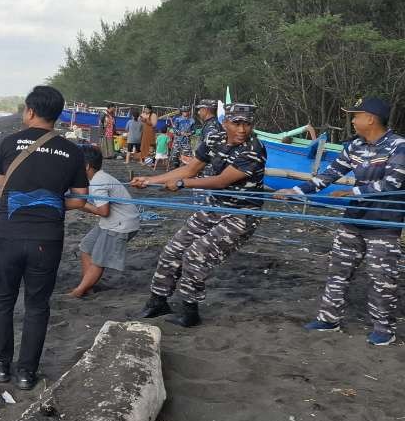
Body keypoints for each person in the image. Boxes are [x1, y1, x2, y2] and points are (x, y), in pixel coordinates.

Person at [275, 97, 405, 345]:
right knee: (338, 272)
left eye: (356, 116)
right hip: (353, 220)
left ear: (370, 119)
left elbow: (392, 184)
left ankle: (383, 329)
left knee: (382, 279)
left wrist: (352, 192)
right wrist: (297, 191)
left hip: (384, 224)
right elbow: (330, 174)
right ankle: (328, 318)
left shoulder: (399, 146)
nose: (353, 121)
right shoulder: (355, 145)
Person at [0, 85, 89, 391]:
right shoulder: (72, 151)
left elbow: (1, 189)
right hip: (47, 237)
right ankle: (26, 373)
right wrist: (51, 202)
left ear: (30, 111)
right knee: (36, 305)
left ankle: (1, 366)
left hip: (8, 233)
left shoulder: (9, 143)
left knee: (2, 299)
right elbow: (81, 199)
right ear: (57, 115)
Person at [132, 103, 266, 327]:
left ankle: (189, 311)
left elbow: (220, 181)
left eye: (247, 124)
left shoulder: (254, 149)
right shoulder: (214, 138)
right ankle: (158, 301)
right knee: (173, 249)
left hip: (241, 214)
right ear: (226, 123)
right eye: (237, 123)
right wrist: (150, 180)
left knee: (196, 255)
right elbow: (190, 169)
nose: (242, 129)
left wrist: (183, 184)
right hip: (213, 207)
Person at [68, 145, 140, 297]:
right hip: (111, 222)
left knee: (99, 259)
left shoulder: (98, 182)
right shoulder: (99, 178)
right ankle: (88, 286)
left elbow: (104, 212)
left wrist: (81, 205)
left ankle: (78, 291)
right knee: (86, 247)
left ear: (86, 166)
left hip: (121, 225)